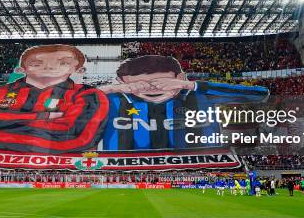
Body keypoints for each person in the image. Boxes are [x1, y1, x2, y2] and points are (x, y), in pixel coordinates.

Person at [0, 45, 109, 154]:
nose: (49, 67)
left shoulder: (89, 95)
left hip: (61, 167)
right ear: (21, 69)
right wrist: (39, 118)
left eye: (63, 63)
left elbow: (73, 136)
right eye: (37, 63)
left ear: (78, 69)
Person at [98, 55, 269, 151]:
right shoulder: (110, 100)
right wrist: (110, 89)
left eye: (161, 82)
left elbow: (259, 94)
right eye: (141, 84)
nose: (152, 89)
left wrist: (191, 85)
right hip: (123, 168)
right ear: (122, 82)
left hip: (203, 165)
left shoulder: (200, 95)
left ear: (179, 77)